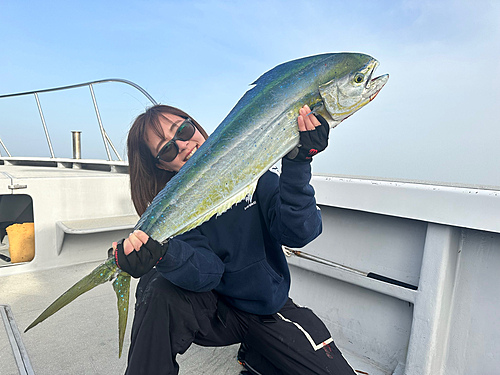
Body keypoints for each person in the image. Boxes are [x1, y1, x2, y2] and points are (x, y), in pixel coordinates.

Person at [110, 104, 356, 375]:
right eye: (167, 148)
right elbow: (209, 272)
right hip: (216, 313)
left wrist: (298, 163)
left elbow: (301, 232)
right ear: (162, 164)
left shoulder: (254, 173)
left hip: (267, 306)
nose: (182, 145)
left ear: (194, 124)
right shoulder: (176, 212)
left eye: (183, 129)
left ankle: (258, 357)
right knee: (156, 286)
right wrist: (163, 254)